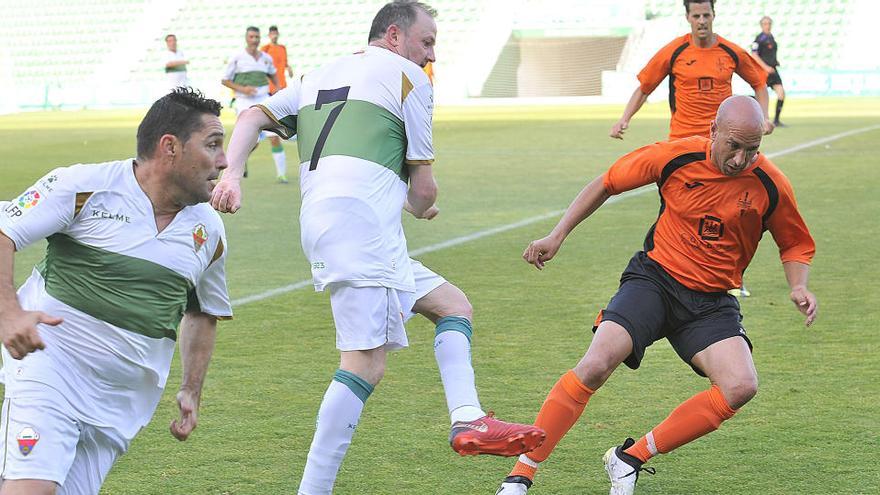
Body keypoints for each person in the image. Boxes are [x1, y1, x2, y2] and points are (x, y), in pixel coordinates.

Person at [210, 2, 545, 494]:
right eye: (426, 42)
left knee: (452, 305)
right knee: (363, 364)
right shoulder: (410, 78)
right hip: (361, 226)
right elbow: (425, 190)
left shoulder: (316, 73)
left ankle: (468, 416)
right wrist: (419, 207)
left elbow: (249, 117)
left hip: (330, 221)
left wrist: (234, 174)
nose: (431, 55)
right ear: (394, 36)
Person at [497, 95, 817, 495]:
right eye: (733, 146)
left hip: (711, 301)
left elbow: (795, 243)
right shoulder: (674, 157)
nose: (740, 159)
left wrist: (798, 284)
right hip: (655, 281)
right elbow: (607, 183)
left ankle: (629, 458)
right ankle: (521, 474)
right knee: (596, 363)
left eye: (752, 150)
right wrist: (556, 235)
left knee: (741, 386)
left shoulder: (770, 184)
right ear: (713, 131)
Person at [0, 88, 232, 495]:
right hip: (49, 367)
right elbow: (4, 231)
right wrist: (9, 313)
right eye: (213, 145)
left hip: (120, 404)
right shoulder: (83, 186)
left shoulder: (209, 231)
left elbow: (203, 312)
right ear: (170, 147)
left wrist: (191, 388)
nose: (224, 161)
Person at [610, 0, 774, 141]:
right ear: (688, 17)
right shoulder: (674, 51)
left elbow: (759, 83)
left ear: (713, 15)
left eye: (706, 15)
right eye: (696, 16)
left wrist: (764, 118)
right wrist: (624, 119)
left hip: (720, 140)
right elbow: (644, 88)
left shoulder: (732, 52)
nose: (701, 21)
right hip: (681, 139)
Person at [222, 26, 288, 183]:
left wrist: (278, 88)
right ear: (246, 38)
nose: (254, 40)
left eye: (257, 37)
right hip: (244, 102)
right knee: (250, 140)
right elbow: (225, 80)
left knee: (274, 136)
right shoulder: (237, 57)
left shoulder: (266, 58)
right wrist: (243, 89)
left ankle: (281, 174)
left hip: (263, 100)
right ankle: (236, 166)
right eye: (251, 37)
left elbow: (273, 74)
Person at [751, 16, 786, 127]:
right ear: (761, 25)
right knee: (760, 95)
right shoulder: (759, 39)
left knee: (781, 93)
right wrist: (765, 67)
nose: (768, 26)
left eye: (769, 23)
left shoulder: (771, 38)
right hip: (763, 71)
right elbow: (754, 55)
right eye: (765, 24)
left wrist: (775, 61)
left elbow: (769, 54)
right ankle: (756, 118)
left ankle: (776, 120)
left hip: (773, 70)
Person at [261, 25, 294, 95]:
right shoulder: (265, 48)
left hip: (282, 84)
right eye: (272, 34)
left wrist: (289, 68)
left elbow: (285, 63)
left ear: (278, 34)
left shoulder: (282, 48)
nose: (274, 36)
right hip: (270, 86)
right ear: (269, 35)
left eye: (276, 34)